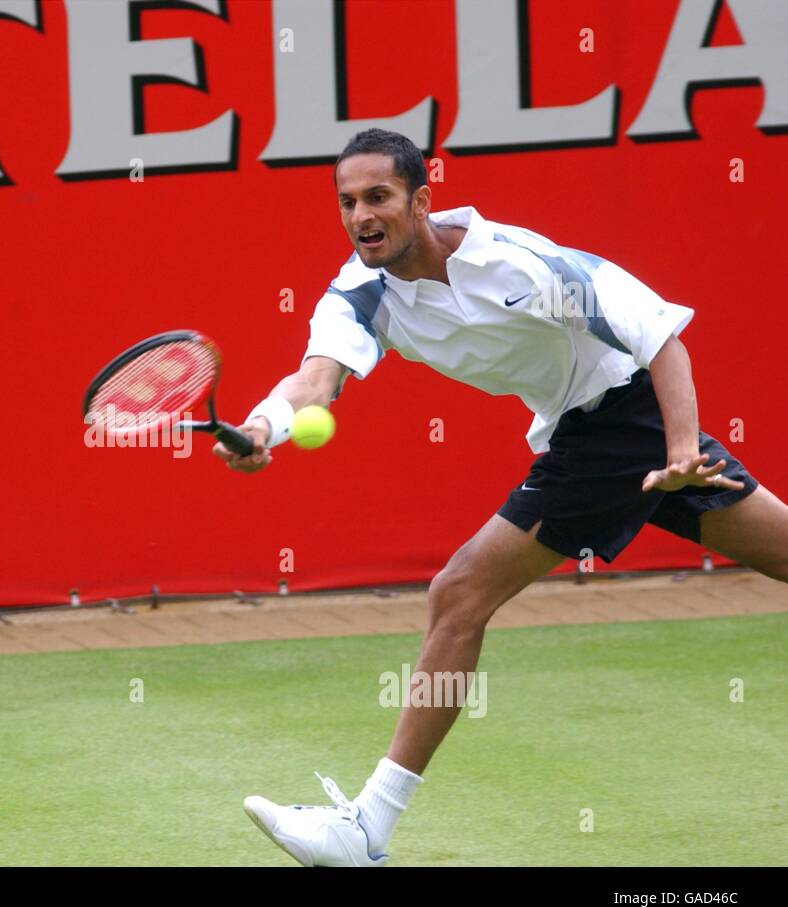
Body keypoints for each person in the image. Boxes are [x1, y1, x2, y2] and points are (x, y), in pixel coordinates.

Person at [224, 127, 788, 866]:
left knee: (459, 592)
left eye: (378, 197)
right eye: (346, 201)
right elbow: (316, 380)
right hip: (603, 435)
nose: (361, 215)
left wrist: (682, 450)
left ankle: (368, 828)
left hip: (616, 428)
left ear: (421, 201)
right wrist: (265, 425)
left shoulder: (516, 260)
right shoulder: (359, 295)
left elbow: (657, 334)